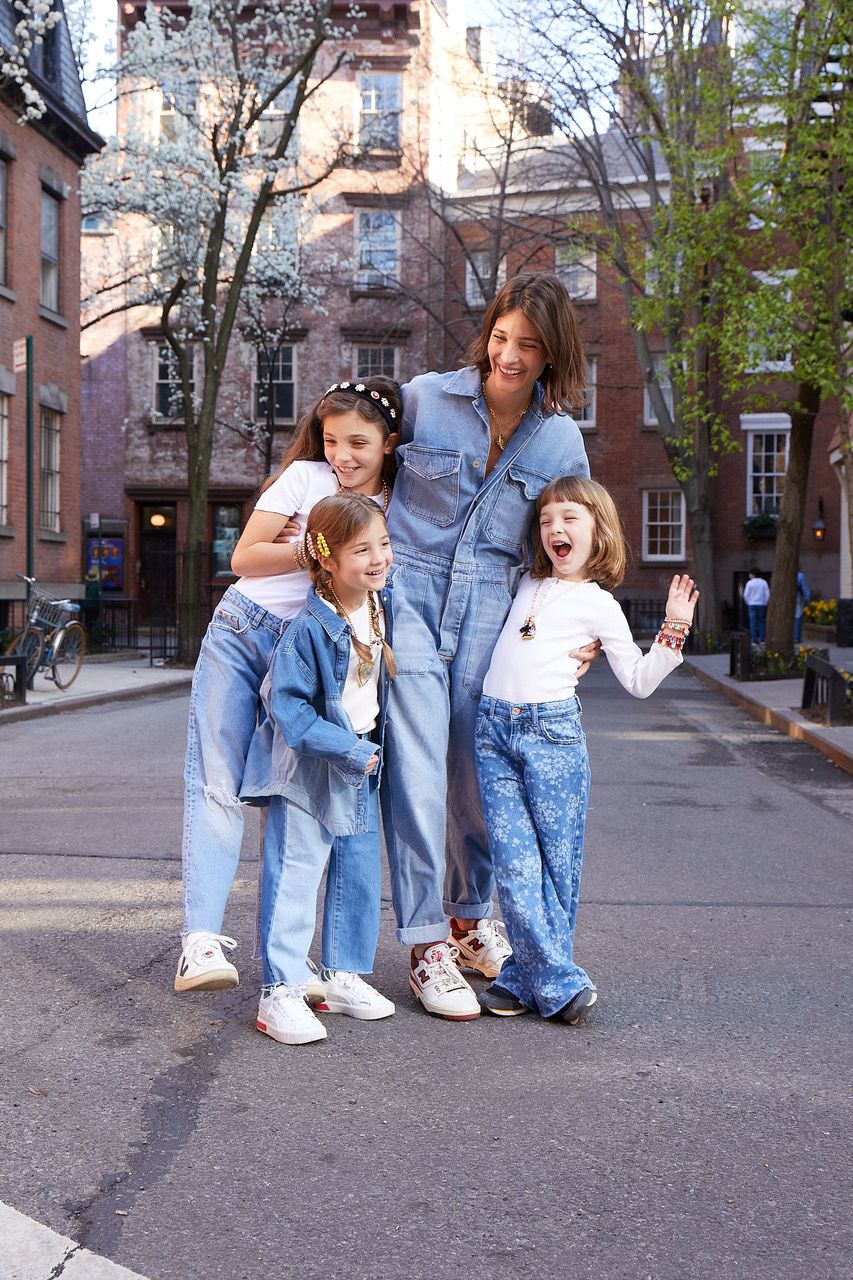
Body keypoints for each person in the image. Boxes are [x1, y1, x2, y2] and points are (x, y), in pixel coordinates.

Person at [381, 272, 596, 1020]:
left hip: (496, 615)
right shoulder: (422, 400)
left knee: (475, 772)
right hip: (406, 595)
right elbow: (344, 458)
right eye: (501, 338)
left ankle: (470, 919)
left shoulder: (562, 438)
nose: (509, 356)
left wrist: (583, 630)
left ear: (551, 355)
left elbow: (574, 537)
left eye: (528, 346)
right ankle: (423, 942)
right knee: (413, 769)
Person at [175, 377, 400, 993]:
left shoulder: (394, 505)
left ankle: (290, 961)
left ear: (389, 442)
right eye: (331, 440)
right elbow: (246, 558)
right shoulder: (305, 479)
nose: (342, 456)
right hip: (244, 628)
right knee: (217, 777)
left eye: (358, 442)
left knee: (290, 798)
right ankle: (200, 941)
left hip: (310, 647)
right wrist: (318, 548)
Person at [475, 476, 699, 1021]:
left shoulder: (600, 605)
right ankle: (546, 978)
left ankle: (530, 978)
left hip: (552, 736)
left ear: (598, 532)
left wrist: (674, 629)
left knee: (555, 865)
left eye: (570, 518)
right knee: (513, 863)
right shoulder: (523, 582)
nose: (556, 528)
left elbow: (639, 681)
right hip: (492, 731)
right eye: (548, 519)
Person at [241, 493, 397, 1045]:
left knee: (356, 869)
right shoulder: (309, 627)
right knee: (297, 871)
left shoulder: (379, 603)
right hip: (311, 764)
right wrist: (350, 750)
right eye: (362, 550)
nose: (378, 557)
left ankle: (341, 976)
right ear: (326, 559)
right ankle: (279, 991)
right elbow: (290, 709)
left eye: (383, 543)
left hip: (359, 757)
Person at [743, 570, 770, 644]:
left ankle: (754, 639)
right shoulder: (764, 582)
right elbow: (767, 594)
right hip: (761, 604)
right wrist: (765, 602)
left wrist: (748, 602)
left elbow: (746, 595)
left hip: (752, 604)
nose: (749, 575)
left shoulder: (749, 583)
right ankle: (762, 639)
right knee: (761, 621)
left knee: (752, 622)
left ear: (753, 574)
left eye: (750, 574)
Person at [794, 568, 810, 645]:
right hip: (797, 601)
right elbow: (805, 590)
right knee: (797, 619)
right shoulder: (800, 576)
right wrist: (807, 601)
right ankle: (796, 638)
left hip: (785, 602)